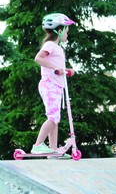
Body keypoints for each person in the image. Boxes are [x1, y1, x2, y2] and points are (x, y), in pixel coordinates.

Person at [31, 13, 75, 159]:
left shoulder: (57, 48)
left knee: (54, 118)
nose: (67, 35)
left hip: (56, 85)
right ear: (59, 30)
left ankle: (53, 150)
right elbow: (38, 58)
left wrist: (67, 70)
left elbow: (57, 66)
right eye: (66, 31)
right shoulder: (50, 45)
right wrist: (55, 69)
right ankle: (37, 146)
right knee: (53, 117)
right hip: (49, 84)